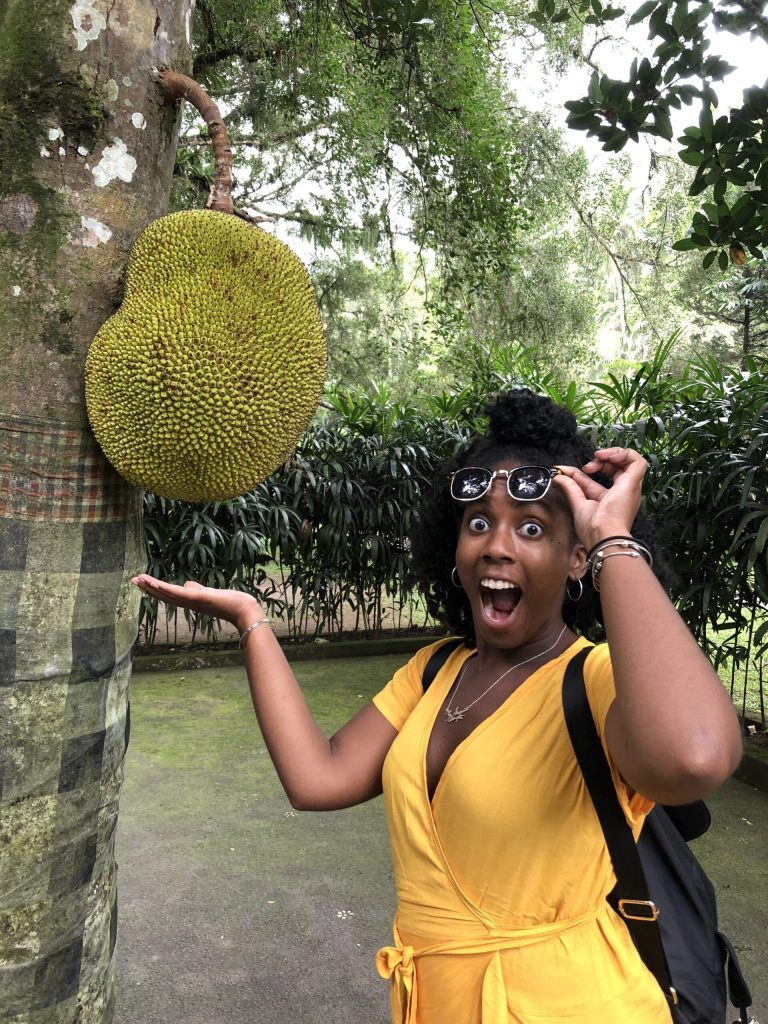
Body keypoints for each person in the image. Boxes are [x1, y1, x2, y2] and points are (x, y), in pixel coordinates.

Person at [132, 388, 742, 1024]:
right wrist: (251, 619)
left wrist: (613, 535)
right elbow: (318, 777)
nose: (496, 545)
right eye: (479, 522)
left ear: (576, 559)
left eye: (532, 528)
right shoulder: (434, 671)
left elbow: (693, 757)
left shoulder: (596, 679)